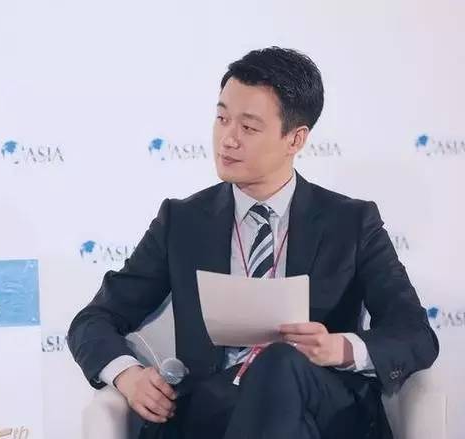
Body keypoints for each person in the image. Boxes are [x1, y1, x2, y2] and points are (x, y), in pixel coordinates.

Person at [68, 46, 439, 439]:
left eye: (248, 127)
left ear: (295, 139)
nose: (227, 139)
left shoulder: (351, 222)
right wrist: (127, 374)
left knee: (280, 362)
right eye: (222, 119)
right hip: (214, 411)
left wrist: (340, 348)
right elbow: (93, 321)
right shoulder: (182, 221)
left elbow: (414, 333)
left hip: (319, 406)